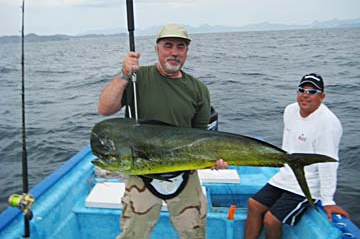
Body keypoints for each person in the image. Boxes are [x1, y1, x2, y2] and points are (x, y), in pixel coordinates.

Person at [97, 23, 228, 239]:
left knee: (194, 233)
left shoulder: (198, 89)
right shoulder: (138, 78)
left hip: (185, 173)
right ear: (157, 49)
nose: (174, 52)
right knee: (133, 234)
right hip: (142, 172)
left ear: (187, 51)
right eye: (168, 46)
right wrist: (123, 75)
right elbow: (104, 109)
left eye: (181, 47)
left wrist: (213, 160)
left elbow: (202, 137)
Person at [244, 73, 350, 239]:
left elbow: (328, 163)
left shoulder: (328, 124)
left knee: (271, 220)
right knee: (253, 205)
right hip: (285, 176)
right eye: (302, 89)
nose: (306, 94)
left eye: (312, 91)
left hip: (306, 185)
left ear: (322, 96)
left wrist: (328, 200)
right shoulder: (290, 110)